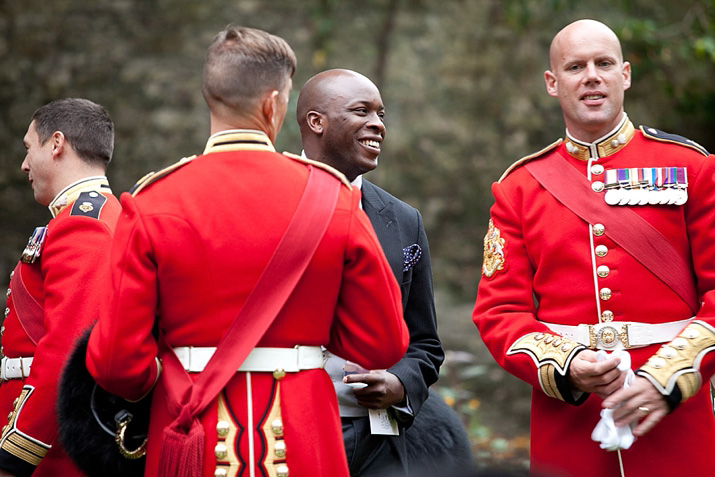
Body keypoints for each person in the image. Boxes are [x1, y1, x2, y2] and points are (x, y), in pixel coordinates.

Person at [84, 27, 409, 477]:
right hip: (302, 430)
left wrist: (167, 372)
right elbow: (382, 341)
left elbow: (117, 362)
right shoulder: (332, 195)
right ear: (273, 104)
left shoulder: (153, 199)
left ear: (210, 98)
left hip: (191, 422)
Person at [473, 19, 715, 476]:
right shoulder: (519, 189)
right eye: (575, 66)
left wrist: (665, 379)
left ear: (624, 74)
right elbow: (498, 313)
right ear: (552, 82)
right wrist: (567, 366)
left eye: (604, 63)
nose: (591, 76)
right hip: (569, 421)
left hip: (673, 417)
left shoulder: (693, 168)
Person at [297, 69, 446, 477]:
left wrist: (400, 383)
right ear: (316, 122)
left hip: (377, 440)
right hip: (287, 429)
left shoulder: (403, 220)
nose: (378, 124)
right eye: (361, 111)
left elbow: (426, 344)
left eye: (382, 114)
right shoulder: (268, 201)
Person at [0, 98, 120, 476]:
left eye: (28, 147)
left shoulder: (83, 222)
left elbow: (66, 352)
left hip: (52, 449)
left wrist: (15, 453)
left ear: (56, 144)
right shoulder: (87, 214)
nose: (23, 164)